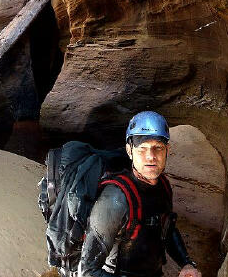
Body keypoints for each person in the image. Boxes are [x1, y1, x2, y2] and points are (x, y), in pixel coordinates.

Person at [79, 111, 202, 277]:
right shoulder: (115, 199)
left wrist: (186, 263)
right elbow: (88, 271)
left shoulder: (163, 186)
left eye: (158, 148)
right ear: (130, 151)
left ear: (167, 150)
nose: (150, 156)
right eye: (142, 149)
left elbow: (167, 228)